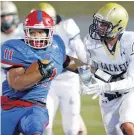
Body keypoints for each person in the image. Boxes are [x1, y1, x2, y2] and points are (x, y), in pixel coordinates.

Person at [1, 10, 67, 135]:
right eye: (33, 32)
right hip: (10, 106)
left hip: (35, 106)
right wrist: (42, 72)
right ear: (26, 32)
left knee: (35, 130)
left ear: (49, 31)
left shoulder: (57, 46)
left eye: (41, 32)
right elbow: (16, 84)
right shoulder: (16, 48)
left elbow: (67, 60)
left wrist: (86, 71)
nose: (36, 36)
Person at [79, 3, 134, 135]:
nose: (99, 27)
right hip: (107, 99)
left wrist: (105, 87)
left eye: (104, 24)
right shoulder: (90, 42)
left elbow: (131, 81)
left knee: (127, 126)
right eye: (98, 23)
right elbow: (84, 67)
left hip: (129, 92)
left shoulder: (130, 41)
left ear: (118, 26)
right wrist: (87, 83)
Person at [38, 3, 87, 135]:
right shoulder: (34, 33)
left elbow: (80, 50)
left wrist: (86, 73)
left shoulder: (66, 27)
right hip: (48, 81)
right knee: (44, 125)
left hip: (69, 79)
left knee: (71, 129)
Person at [0, 1, 25, 85]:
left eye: (8, 15)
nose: (5, 19)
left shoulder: (25, 32)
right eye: (2, 16)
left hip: (23, 74)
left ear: (14, 16)